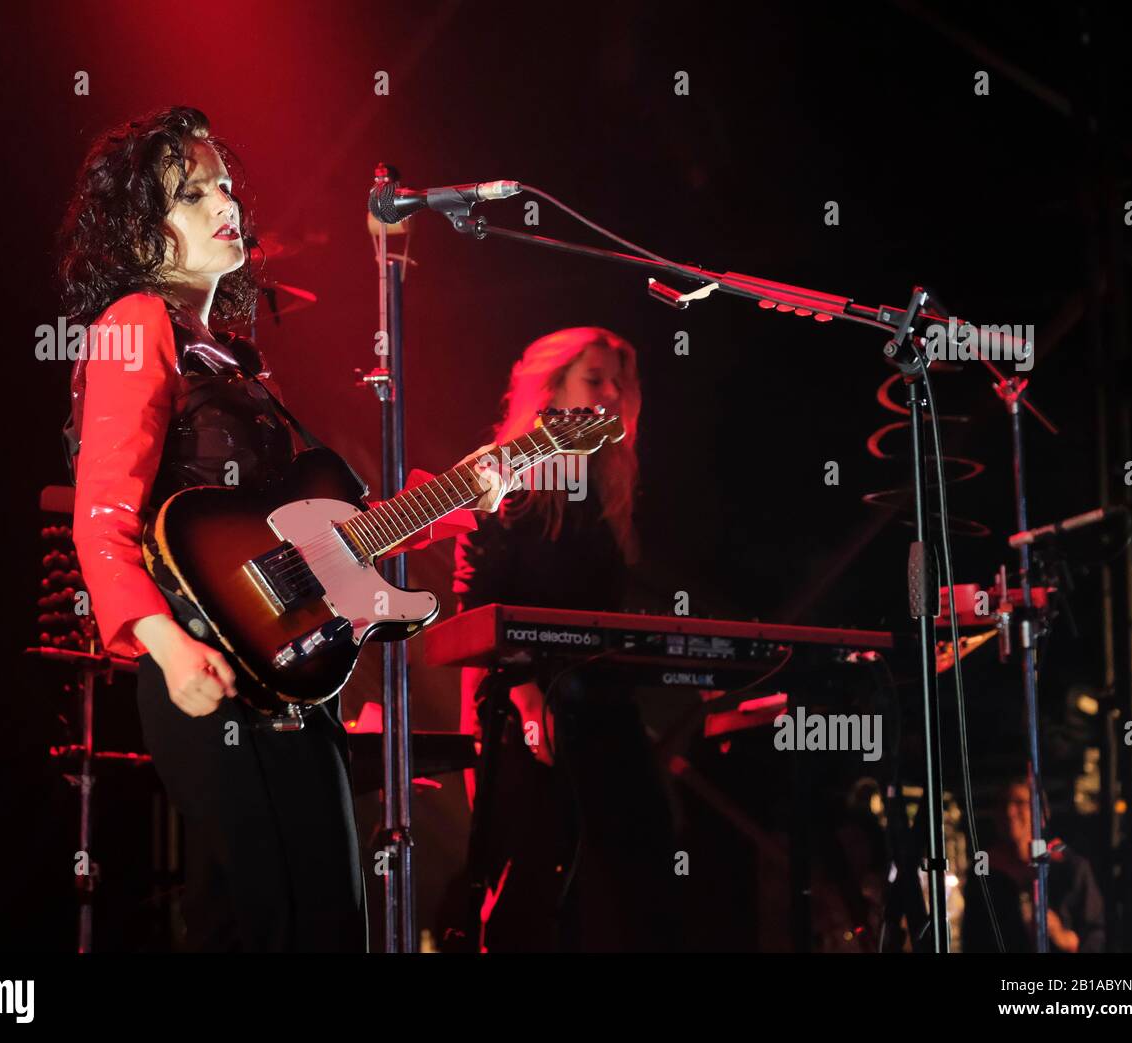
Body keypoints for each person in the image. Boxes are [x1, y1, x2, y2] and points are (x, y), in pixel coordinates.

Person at [58, 106, 505, 952]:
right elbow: (102, 519)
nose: (223, 201)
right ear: (142, 229)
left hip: (296, 673)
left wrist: (456, 498)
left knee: (316, 922)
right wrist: (167, 643)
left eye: (222, 184)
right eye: (191, 194)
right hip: (211, 664)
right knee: (276, 921)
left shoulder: (234, 358)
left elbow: (322, 542)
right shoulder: (135, 324)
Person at [449, 327, 681, 951]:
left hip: (598, 695)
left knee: (640, 863)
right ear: (551, 391)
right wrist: (527, 701)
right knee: (533, 869)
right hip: (519, 696)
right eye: (593, 379)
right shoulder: (510, 477)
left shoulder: (611, 482)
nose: (610, 393)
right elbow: (480, 604)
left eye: (618, 382)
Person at [961, 771, 1106, 953]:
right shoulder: (984, 872)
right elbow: (973, 940)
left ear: (1041, 814)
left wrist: (1062, 936)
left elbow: (1096, 936)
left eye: (1019, 803)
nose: (1009, 811)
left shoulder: (1069, 866)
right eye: (1003, 804)